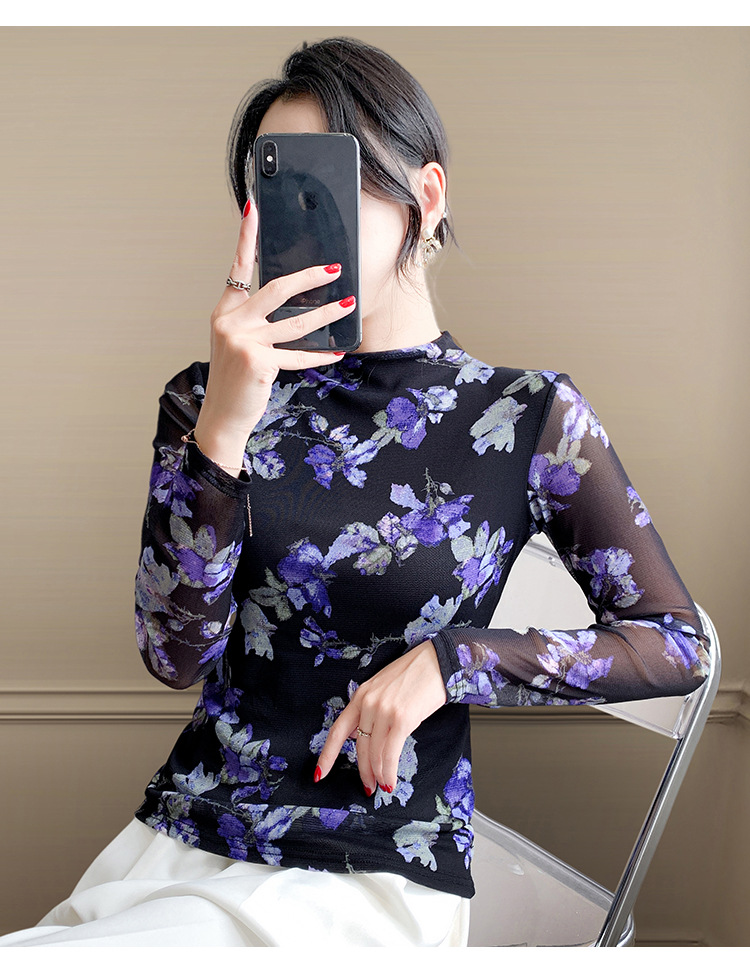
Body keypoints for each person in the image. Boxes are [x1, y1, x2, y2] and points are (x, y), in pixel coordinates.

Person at [0, 36, 709, 948]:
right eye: (277, 185)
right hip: (179, 846)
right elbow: (175, 655)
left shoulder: (527, 415)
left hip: (370, 873)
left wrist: (452, 662)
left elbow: (675, 643)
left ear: (427, 195)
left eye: (329, 177)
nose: (300, 211)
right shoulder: (206, 397)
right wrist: (223, 430)